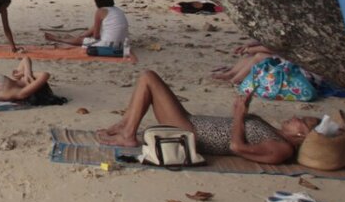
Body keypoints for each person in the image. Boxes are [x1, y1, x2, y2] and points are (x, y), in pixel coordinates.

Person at [96, 70, 320, 163]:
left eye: (301, 121)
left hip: (193, 133)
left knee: (149, 78)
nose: (294, 117)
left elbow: (237, 147)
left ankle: (128, 133)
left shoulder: (283, 148)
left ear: (303, 135)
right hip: (193, 122)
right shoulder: (276, 134)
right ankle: (126, 125)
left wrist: (239, 116)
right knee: (147, 78)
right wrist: (242, 111)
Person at [43, 0, 129, 54]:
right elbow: (96, 28)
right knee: (85, 37)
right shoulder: (118, 10)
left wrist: (85, 38)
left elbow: (96, 36)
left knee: (83, 41)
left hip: (108, 47)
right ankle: (77, 38)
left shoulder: (100, 11)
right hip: (122, 46)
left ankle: (60, 40)